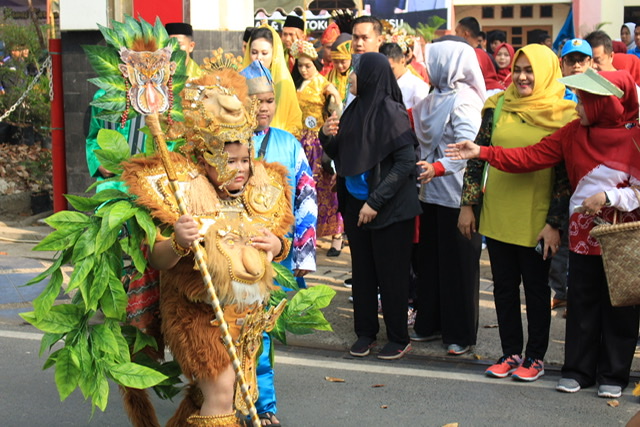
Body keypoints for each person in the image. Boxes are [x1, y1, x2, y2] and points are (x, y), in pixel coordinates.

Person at [447, 69, 640, 399]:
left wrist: (609, 197)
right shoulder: (573, 133)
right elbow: (530, 156)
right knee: (581, 303)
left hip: (623, 238)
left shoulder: (635, 138)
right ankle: (577, 370)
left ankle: (613, 374)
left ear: (604, 104)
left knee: (620, 306)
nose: (577, 107)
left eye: (584, 101)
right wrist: (482, 152)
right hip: (582, 235)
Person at [124, 69, 294, 427]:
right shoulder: (180, 191)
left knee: (219, 396)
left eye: (245, 160)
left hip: (244, 316)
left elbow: (279, 244)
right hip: (195, 312)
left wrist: (277, 244)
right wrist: (178, 241)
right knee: (220, 393)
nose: (240, 169)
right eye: (229, 161)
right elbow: (155, 257)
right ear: (205, 158)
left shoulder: (260, 191)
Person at [457, 44, 576, 381]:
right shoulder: (497, 105)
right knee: (504, 288)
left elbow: (565, 178)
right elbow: (477, 158)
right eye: (518, 70)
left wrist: (554, 223)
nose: (522, 77)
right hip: (498, 213)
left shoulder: (564, 114)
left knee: (536, 290)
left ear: (547, 72)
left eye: (530, 71)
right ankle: (510, 353)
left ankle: (535, 357)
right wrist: (468, 205)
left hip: (536, 219)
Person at [320, 52, 421, 360]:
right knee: (363, 273)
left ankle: (398, 337)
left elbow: (405, 162)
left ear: (371, 76)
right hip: (356, 205)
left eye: (356, 71)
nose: (351, 77)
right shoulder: (355, 108)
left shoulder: (391, 112)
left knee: (391, 276)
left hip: (389, 210)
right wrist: (326, 137)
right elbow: (344, 153)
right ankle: (365, 333)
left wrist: (374, 202)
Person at [241, 60, 318, 427]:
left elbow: (306, 196)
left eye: (270, 100)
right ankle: (225, 400)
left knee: (262, 331)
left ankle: (263, 405)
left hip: (276, 252)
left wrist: (301, 251)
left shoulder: (288, 144)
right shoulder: (224, 144)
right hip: (235, 253)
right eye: (256, 101)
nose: (264, 108)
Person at [409, 37, 486, 356]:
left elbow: (467, 151)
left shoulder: (465, 101)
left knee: (458, 268)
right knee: (431, 264)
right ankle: (430, 323)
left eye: (433, 61)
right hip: (430, 194)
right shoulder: (435, 97)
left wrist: (438, 167)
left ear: (448, 64)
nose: (428, 67)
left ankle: (459, 333)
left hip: (458, 196)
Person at [290, 40, 344, 257]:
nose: (304, 70)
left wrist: (335, 98)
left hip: (319, 143)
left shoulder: (324, 85)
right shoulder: (295, 84)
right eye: (300, 66)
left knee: (326, 188)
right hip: (299, 140)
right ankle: (307, 233)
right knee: (303, 189)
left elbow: (337, 111)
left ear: (316, 64)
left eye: (308, 65)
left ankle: (337, 235)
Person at [243, 25, 302, 136]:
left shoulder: (283, 83)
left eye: (264, 53)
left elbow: (293, 121)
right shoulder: (241, 81)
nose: (258, 58)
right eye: (254, 52)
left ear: (273, 54)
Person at [455, 17, 505, 96]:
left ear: (465, 34)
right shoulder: (486, 55)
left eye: (457, 32)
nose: (455, 36)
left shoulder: (471, 55)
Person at [380, 42, 430, 109]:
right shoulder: (379, 83)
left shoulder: (418, 87)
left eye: (391, 69)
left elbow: (421, 113)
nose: (387, 72)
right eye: (383, 69)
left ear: (403, 61)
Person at [326, 33, 353, 105]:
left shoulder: (356, 76)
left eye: (343, 62)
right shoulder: (328, 77)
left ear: (351, 59)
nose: (340, 66)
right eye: (335, 62)